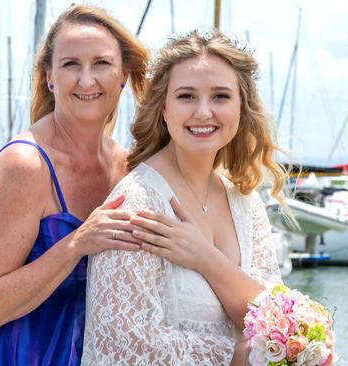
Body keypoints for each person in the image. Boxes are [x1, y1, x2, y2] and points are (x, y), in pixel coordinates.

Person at [0, 5, 149, 365]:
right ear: (49, 76)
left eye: (101, 63)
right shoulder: (24, 165)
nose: (87, 80)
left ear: (123, 76)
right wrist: (77, 243)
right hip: (8, 352)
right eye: (71, 65)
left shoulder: (130, 167)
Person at [81, 31, 288, 365]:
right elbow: (122, 341)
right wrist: (233, 358)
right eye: (187, 96)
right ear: (164, 107)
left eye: (220, 96)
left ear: (241, 106)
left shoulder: (245, 202)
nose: (203, 112)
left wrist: (207, 258)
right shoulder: (136, 205)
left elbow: (273, 320)